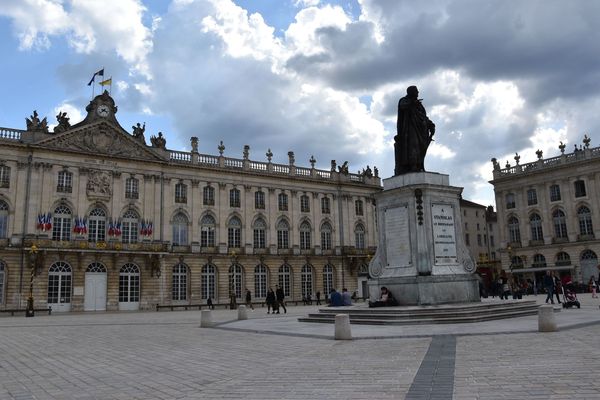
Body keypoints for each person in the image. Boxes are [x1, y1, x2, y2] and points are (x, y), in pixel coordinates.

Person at [394, 85, 435, 175]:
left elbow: (423, 116)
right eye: (416, 91)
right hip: (410, 129)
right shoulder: (404, 100)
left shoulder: (419, 105)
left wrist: (431, 124)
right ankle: (413, 165)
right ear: (411, 92)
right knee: (413, 146)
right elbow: (403, 106)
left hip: (421, 131)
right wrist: (412, 103)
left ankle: (419, 165)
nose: (418, 92)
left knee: (420, 149)